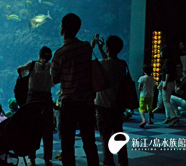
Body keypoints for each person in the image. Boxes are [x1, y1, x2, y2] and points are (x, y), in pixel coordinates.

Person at [51, 13, 99, 166]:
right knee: (89, 141)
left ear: (62, 29)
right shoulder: (85, 47)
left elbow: (54, 78)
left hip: (69, 102)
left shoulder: (59, 54)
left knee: (67, 143)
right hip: (87, 102)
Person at [92, 35, 128, 166]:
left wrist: (93, 46)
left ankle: (109, 161)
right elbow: (108, 61)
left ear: (107, 47)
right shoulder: (121, 64)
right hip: (117, 105)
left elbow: (94, 63)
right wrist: (101, 49)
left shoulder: (103, 63)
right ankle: (123, 161)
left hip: (102, 106)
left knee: (105, 136)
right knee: (118, 133)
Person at [17, 46, 54, 166]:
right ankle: (47, 159)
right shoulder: (51, 66)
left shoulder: (32, 64)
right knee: (47, 129)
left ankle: (31, 158)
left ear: (39, 55)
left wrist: (24, 76)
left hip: (32, 99)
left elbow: (20, 69)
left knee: (31, 128)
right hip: (46, 100)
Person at [160, 45, 179, 125]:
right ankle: (168, 117)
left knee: (166, 101)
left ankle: (173, 117)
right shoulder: (171, 61)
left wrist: (165, 83)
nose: (160, 53)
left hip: (167, 83)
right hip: (171, 83)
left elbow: (167, 73)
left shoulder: (167, 61)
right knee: (167, 100)